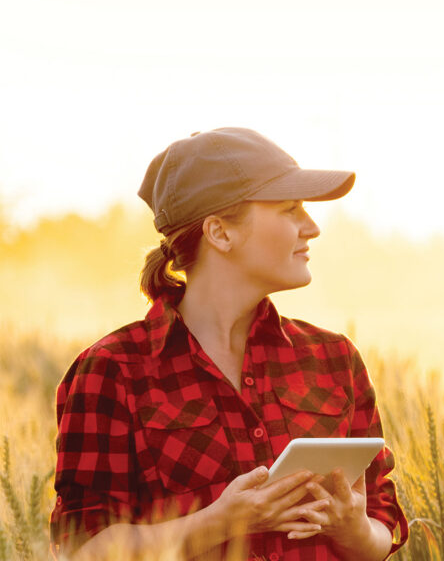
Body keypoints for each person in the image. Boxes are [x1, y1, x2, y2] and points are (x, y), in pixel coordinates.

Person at [49, 128, 409, 560]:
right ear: (220, 233)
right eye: (290, 209)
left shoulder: (334, 359)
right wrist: (222, 522)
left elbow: (382, 529)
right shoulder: (113, 370)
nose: (311, 227)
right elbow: (82, 548)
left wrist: (351, 528)